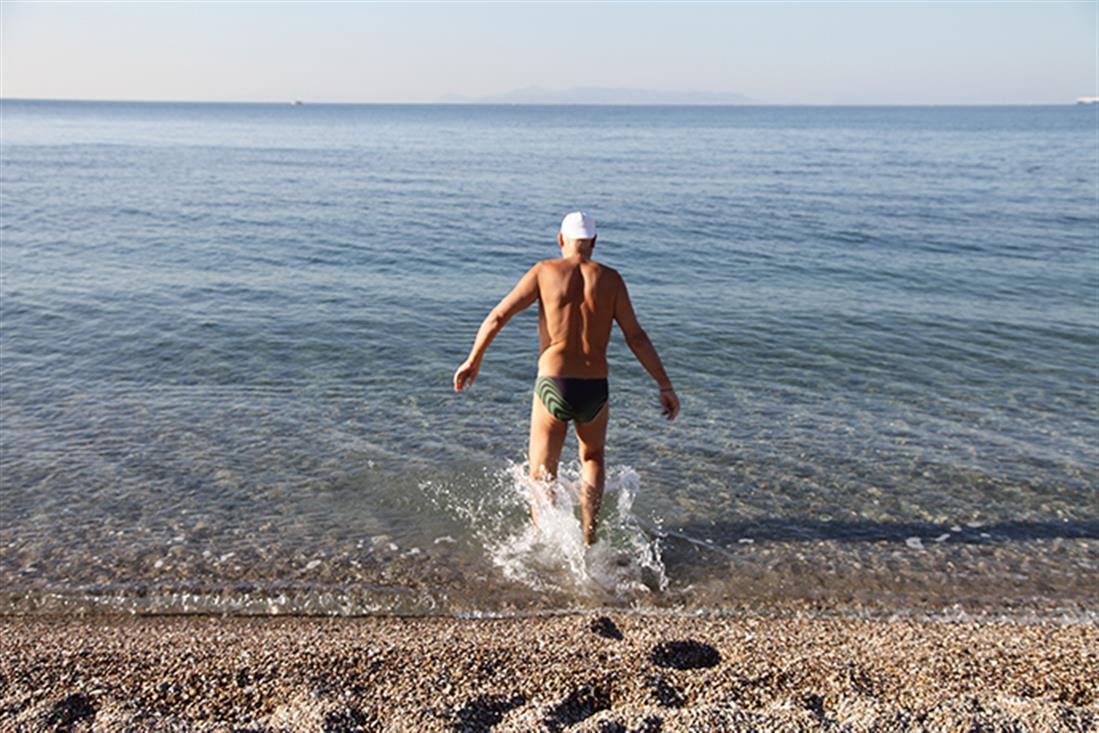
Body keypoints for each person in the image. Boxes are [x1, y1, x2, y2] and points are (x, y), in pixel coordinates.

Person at [453, 211, 679, 546]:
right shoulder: (612, 279)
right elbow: (637, 338)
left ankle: (546, 543)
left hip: (553, 383)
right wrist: (664, 384)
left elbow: (500, 315)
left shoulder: (544, 272)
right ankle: (589, 538)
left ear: (561, 239)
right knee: (592, 458)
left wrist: (474, 359)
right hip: (594, 386)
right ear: (594, 243)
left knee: (542, 471)